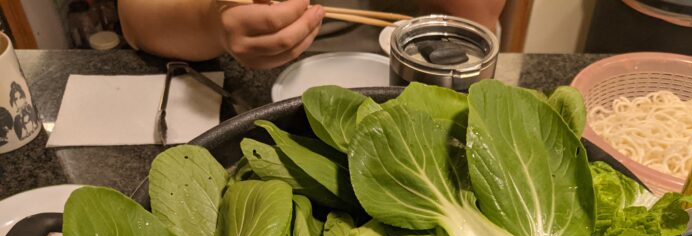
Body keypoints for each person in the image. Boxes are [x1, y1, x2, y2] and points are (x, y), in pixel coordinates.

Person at [119, 0, 506, 70]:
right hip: (239, 89)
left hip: (412, 78)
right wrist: (213, 24)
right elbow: (137, 19)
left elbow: (477, 21)